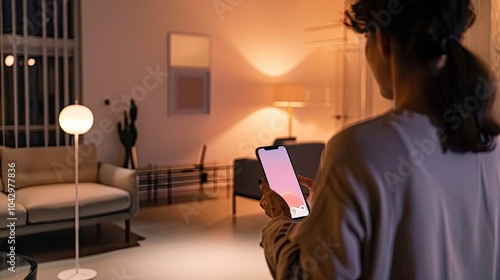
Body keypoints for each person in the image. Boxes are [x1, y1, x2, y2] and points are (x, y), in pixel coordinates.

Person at [259, 0, 500, 279]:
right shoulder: (490, 143)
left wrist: (280, 220)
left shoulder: (357, 148)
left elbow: (303, 274)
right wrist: (331, 206)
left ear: (383, 42)